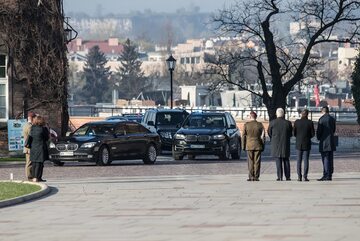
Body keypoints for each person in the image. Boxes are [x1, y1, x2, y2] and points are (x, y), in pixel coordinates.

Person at [268, 108, 293, 181]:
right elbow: (290, 133)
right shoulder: (288, 123)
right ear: (283, 114)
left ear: (276, 114)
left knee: (278, 161)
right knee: (286, 160)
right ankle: (287, 176)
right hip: (285, 143)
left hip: (276, 143)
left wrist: (274, 138)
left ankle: (280, 176)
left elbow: (269, 133)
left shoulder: (272, 122)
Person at [242, 111, 265, 181]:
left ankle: (251, 176)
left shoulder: (246, 125)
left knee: (250, 161)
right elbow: (263, 136)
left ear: (250, 116)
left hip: (249, 145)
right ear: (256, 117)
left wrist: (243, 146)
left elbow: (243, 136)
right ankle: (256, 176)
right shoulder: (260, 125)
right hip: (258, 144)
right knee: (257, 161)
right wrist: (263, 145)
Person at [294, 109, 315, 182]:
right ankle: (305, 176)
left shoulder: (297, 122)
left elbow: (294, 133)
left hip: (299, 143)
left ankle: (299, 177)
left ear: (301, 114)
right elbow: (313, 134)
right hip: (307, 143)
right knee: (306, 160)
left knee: (298, 160)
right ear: (308, 114)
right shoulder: (310, 122)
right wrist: (307, 137)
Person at [317, 106, 336, 181]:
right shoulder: (332, 119)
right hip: (331, 141)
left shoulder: (321, 119)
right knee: (330, 158)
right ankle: (330, 174)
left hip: (324, 141)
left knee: (325, 158)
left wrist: (319, 138)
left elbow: (319, 131)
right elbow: (333, 130)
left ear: (323, 111)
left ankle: (326, 174)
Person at [29, 115, 49, 182]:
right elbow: (46, 138)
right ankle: (37, 177)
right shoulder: (43, 129)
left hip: (33, 147)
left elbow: (30, 137)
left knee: (34, 163)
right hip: (40, 147)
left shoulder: (32, 128)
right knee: (39, 164)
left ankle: (34, 177)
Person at [22, 111, 36, 181]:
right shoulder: (30, 126)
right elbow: (31, 136)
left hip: (27, 146)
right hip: (29, 147)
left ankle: (30, 176)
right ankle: (29, 176)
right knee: (29, 162)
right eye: (34, 117)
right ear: (31, 118)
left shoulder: (25, 125)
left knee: (29, 162)